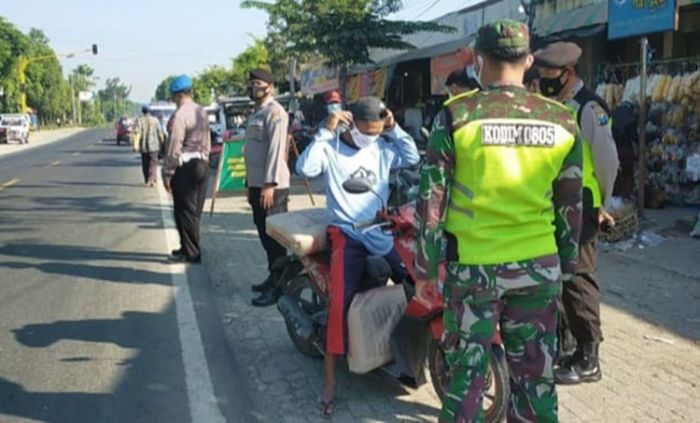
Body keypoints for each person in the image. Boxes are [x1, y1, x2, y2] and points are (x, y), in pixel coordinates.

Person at [414, 20, 583, 422]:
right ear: (528, 61)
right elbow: (570, 207)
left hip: (474, 272)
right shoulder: (561, 121)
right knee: (535, 384)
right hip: (538, 269)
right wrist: (568, 266)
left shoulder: (457, 115)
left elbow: (431, 199)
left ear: (478, 59)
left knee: (466, 383)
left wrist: (425, 267)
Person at [296, 96, 420, 417]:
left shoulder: (381, 146)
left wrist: (393, 128)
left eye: (378, 130)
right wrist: (326, 129)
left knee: (415, 280)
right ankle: (330, 383)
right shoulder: (332, 146)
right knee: (340, 304)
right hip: (347, 234)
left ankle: (406, 351)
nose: (372, 137)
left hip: (381, 229)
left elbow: (411, 156)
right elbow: (304, 168)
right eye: (368, 131)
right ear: (351, 122)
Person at [535, 42, 620, 385]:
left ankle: (590, 357)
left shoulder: (589, 108)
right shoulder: (560, 106)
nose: (544, 82)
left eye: (550, 76)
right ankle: (571, 347)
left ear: (568, 73)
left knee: (580, 278)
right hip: (558, 202)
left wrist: (602, 203)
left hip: (583, 203)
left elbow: (607, 162)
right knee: (563, 278)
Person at [244, 69, 291, 307]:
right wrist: (249, 184)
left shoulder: (276, 113)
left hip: (271, 186)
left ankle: (280, 286)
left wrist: (269, 184)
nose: (254, 87)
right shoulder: (257, 112)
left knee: (274, 237)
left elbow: (275, 150)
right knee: (263, 233)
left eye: (258, 84)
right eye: (252, 83)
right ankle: (272, 276)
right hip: (256, 184)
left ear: (270, 87)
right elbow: (251, 150)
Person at [162, 75, 211, 264]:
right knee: (195, 212)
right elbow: (207, 140)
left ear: (176, 95)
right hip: (202, 164)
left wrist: (168, 171)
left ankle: (192, 253)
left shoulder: (180, 115)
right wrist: (205, 158)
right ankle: (187, 247)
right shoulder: (201, 111)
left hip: (185, 166)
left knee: (184, 211)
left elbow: (174, 144)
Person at [134, 105, 166, 187]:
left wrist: (136, 145)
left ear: (143, 111)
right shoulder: (155, 120)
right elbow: (160, 133)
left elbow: (137, 133)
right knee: (153, 163)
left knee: (145, 163)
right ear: (149, 111)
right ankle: (152, 179)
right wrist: (162, 142)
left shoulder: (139, 120)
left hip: (144, 146)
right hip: (154, 146)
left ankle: (147, 178)